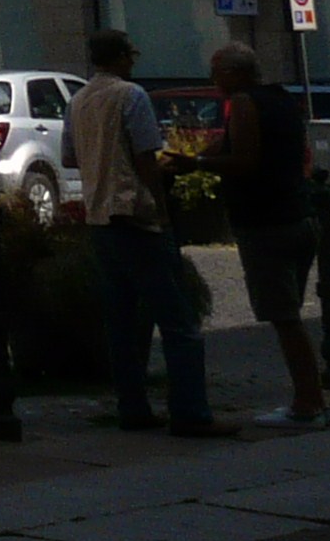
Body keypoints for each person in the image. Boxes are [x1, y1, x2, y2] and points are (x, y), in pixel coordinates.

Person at [66, 30, 228, 436]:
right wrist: (162, 207)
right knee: (178, 319)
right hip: (137, 216)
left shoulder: (78, 100)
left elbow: (69, 156)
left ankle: (132, 407)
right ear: (122, 57)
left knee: (121, 322)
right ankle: (190, 412)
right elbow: (144, 155)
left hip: (100, 217)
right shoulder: (131, 96)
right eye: (131, 55)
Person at [213, 44, 329, 430]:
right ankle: (311, 398)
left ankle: (308, 403)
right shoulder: (281, 100)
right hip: (299, 215)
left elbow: (244, 159)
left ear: (234, 72)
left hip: (266, 223)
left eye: (217, 72)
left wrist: (195, 164)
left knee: (284, 318)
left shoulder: (244, 102)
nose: (213, 81)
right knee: (289, 315)